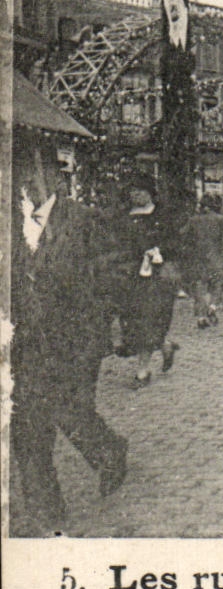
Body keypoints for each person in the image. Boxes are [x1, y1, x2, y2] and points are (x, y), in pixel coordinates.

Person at [8, 148, 128, 534]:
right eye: (16, 176)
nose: (23, 185)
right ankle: (47, 512)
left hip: (75, 339)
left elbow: (115, 270)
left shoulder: (82, 219)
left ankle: (109, 451)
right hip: (25, 343)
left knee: (71, 411)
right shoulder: (9, 224)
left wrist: (99, 314)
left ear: (54, 177)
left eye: (31, 174)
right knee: (27, 426)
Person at [111, 180, 182, 387]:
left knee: (150, 319)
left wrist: (160, 251)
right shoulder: (124, 216)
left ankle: (142, 372)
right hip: (130, 275)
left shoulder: (163, 216)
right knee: (132, 321)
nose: (136, 195)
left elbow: (176, 243)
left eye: (141, 191)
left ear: (150, 193)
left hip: (157, 277)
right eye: (133, 191)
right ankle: (165, 345)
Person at [182, 195, 223, 329]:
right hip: (215, 258)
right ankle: (212, 306)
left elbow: (184, 236)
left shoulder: (193, 220)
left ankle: (201, 316)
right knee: (216, 284)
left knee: (200, 287)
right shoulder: (221, 219)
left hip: (198, 259)